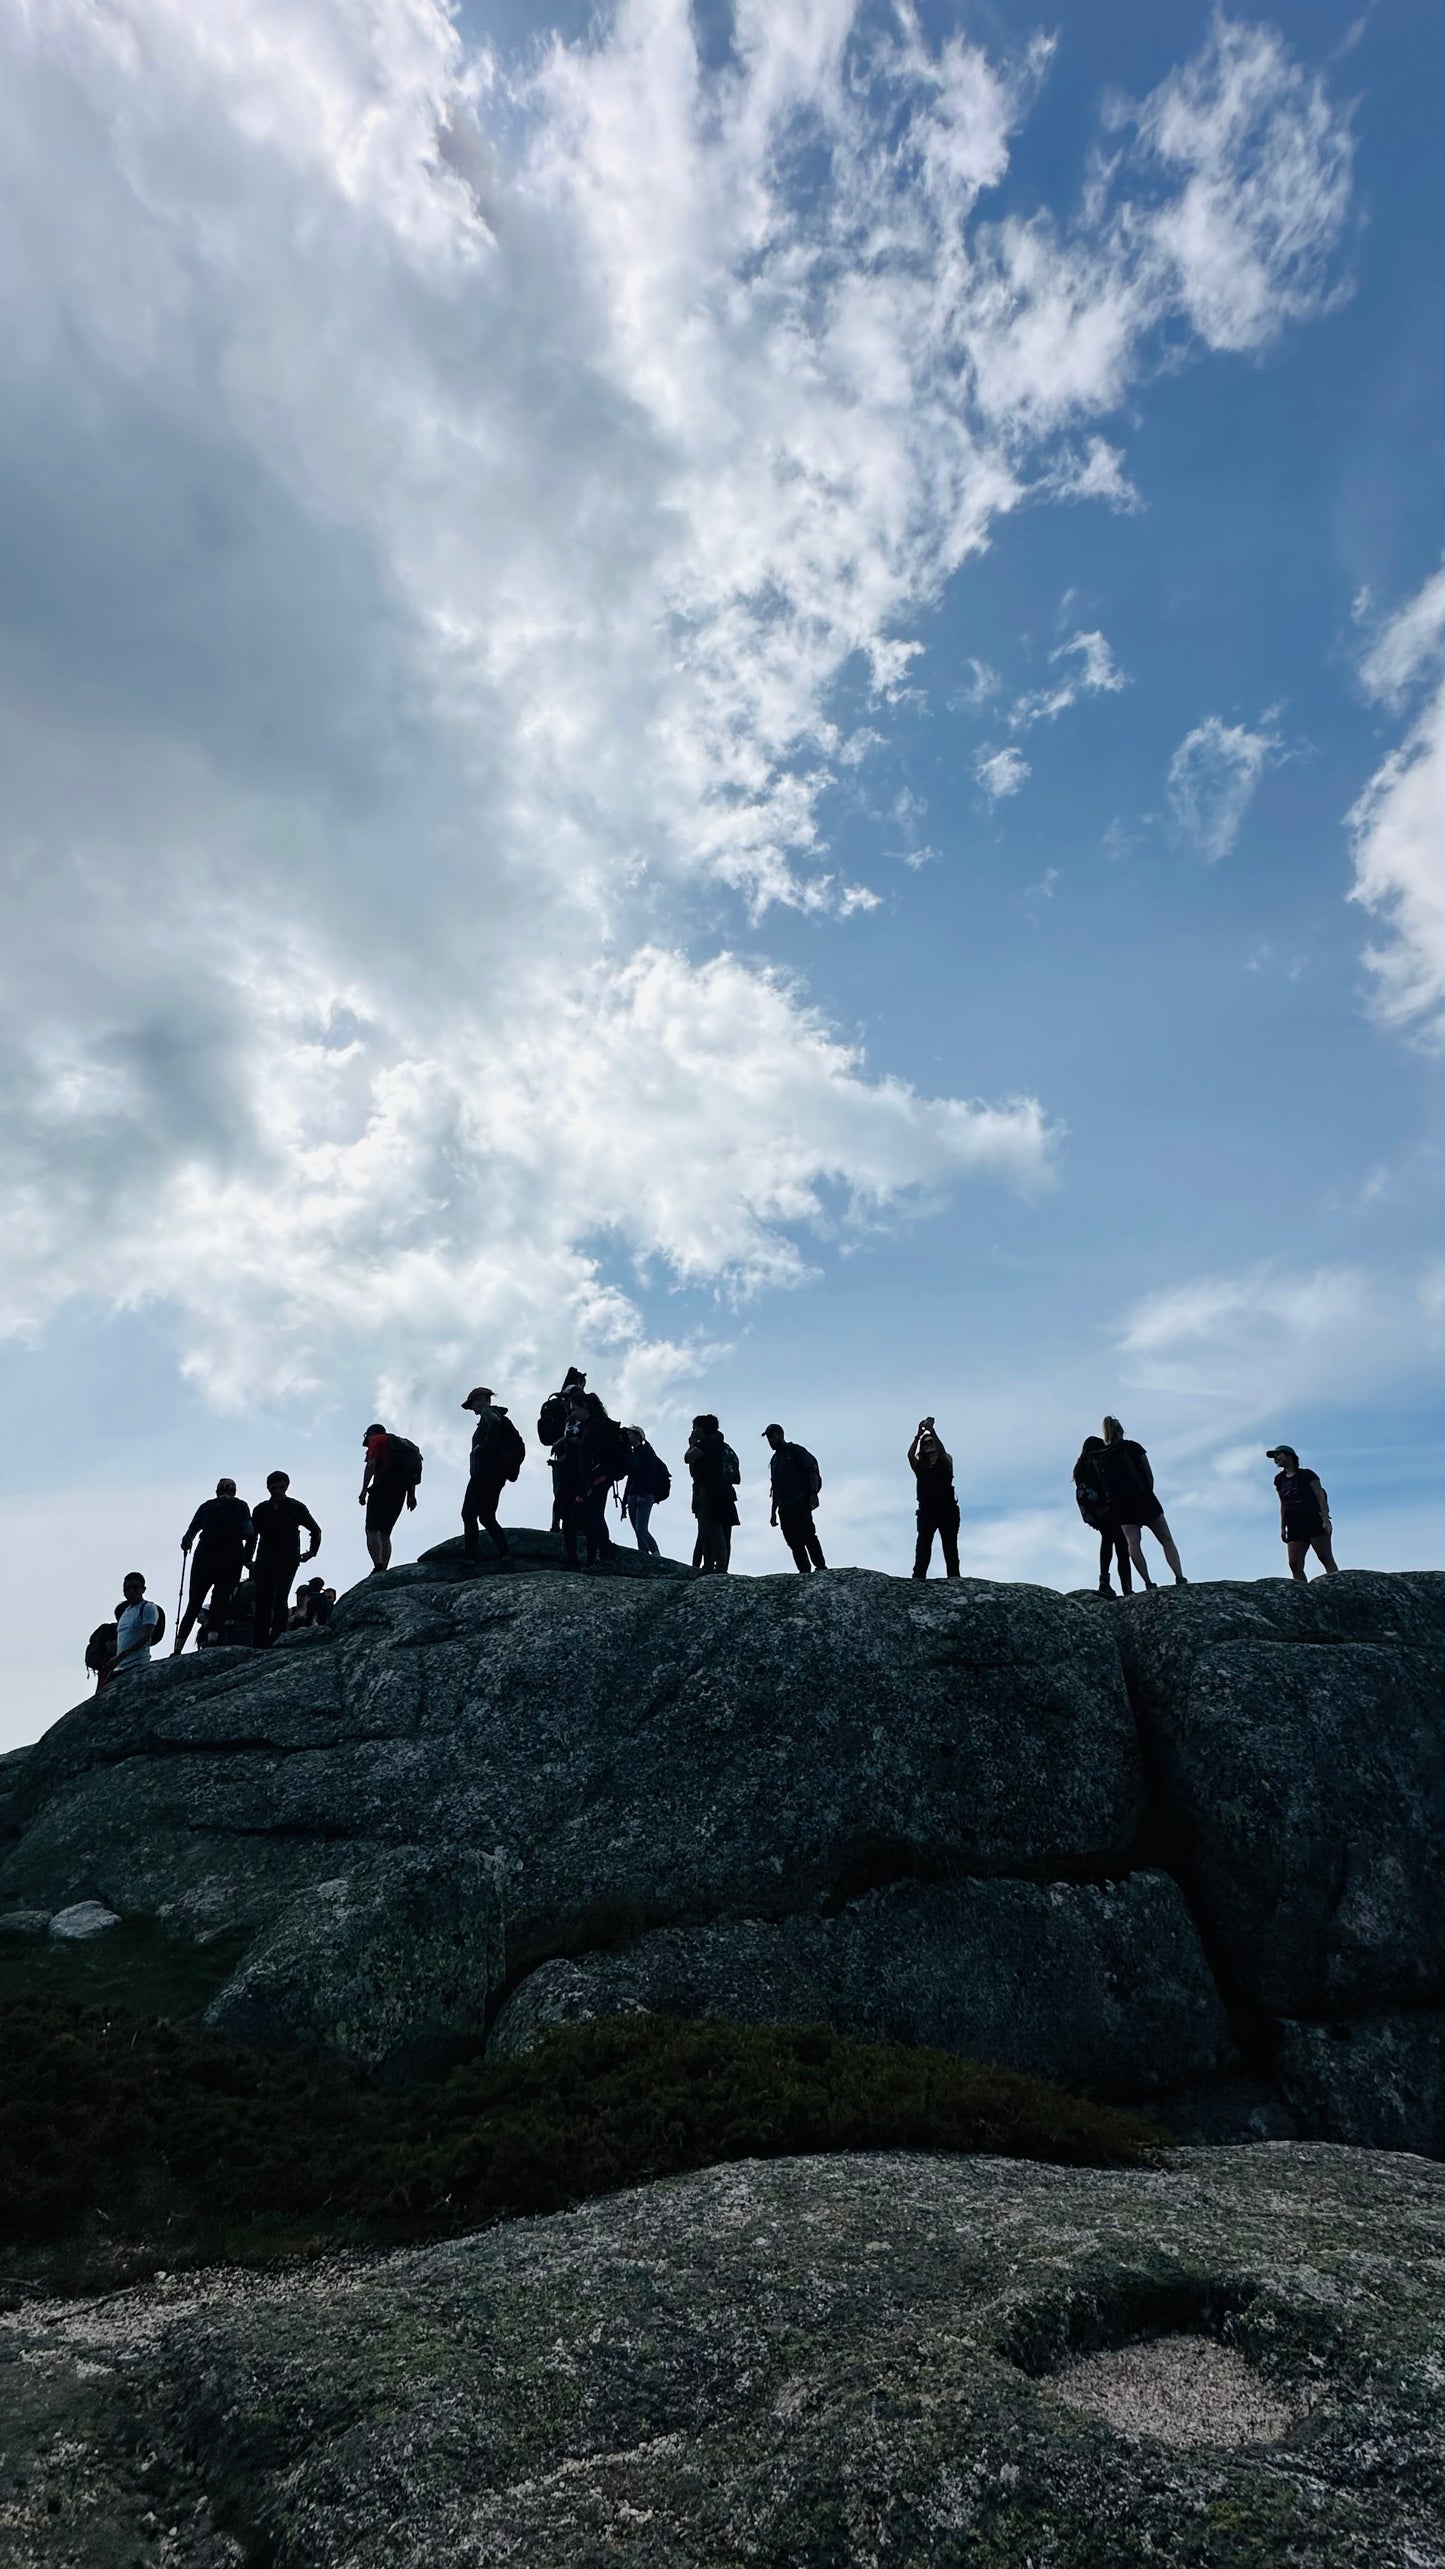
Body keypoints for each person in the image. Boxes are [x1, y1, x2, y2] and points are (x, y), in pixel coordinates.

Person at [1098, 1418, 1186, 1588]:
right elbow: (1148, 1473)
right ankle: (1179, 1577)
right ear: (1121, 1431)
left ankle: (1148, 1582)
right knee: (1166, 1540)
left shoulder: (1102, 1458)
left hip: (1122, 1507)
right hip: (1144, 1499)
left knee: (1133, 1544)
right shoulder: (1133, 1447)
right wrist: (1148, 1492)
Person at [174, 1479, 254, 1653]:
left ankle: (178, 1646)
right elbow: (249, 1531)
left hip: (204, 1556)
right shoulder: (241, 1506)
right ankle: (213, 1640)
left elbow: (188, 1536)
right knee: (221, 1599)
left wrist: (187, 1544)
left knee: (194, 1602)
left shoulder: (206, 1506)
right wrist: (246, 1557)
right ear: (234, 1491)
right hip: (231, 1557)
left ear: (217, 1491)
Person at [250, 1471, 322, 1646]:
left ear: (287, 1486)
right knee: (263, 1599)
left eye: (281, 1487)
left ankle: (277, 1637)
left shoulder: (296, 1507)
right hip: (265, 1559)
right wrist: (248, 1559)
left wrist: (312, 1552)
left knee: (280, 1597)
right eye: (274, 1488)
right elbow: (253, 1536)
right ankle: (261, 1641)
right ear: (268, 1488)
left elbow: (315, 1530)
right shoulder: (261, 1510)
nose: (278, 1491)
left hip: (288, 1560)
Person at [460, 1387, 526, 1563]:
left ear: (482, 1399)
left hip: (483, 1474)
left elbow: (495, 1425)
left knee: (468, 1514)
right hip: (495, 1475)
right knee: (487, 1517)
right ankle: (505, 1554)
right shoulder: (493, 1416)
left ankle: (469, 1558)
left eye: (472, 1403)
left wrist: (483, 1446)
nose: (472, 1409)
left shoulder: (489, 1414)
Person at [1266, 1445, 1339, 1579]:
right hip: (1294, 1523)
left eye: (1278, 1455)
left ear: (1289, 1455)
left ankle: (1338, 1585)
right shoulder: (1279, 1480)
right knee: (1294, 1564)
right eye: (1274, 1457)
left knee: (1325, 1557)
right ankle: (1301, 1593)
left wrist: (1325, 1519)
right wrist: (1283, 1527)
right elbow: (1283, 1503)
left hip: (1313, 1519)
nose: (1275, 1459)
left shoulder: (1307, 1474)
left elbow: (1320, 1495)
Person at [1073, 1434, 1132, 1598]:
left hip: (1096, 1513)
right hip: (1111, 1509)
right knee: (1122, 1546)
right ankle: (1126, 1587)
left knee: (1107, 1541)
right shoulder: (1100, 1462)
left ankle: (1104, 1581)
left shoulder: (1080, 1468)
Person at [359, 1423, 423, 1572]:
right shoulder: (402, 1445)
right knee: (386, 1532)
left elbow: (371, 1466)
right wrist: (411, 1496)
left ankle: (378, 1566)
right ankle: (384, 1568)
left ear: (371, 1433)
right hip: (400, 1491)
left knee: (372, 1530)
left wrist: (363, 1491)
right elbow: (411, 1474)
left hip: (382, 1487)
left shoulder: (377, 1440)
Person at [763, 1424, 826, 1572]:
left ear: (781, 1434)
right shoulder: (775, 1460)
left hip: (800, 1500)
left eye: (772, 1436)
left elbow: (811, 1471)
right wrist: (773, 1512)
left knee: (808, 1535)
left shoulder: (795, 1450)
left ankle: (820, 1566)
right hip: (784, 1506)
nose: (770, 1441)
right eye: (768, 1438)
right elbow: (775, 1487)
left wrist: (813, 1494)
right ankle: (804, 1571)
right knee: (793, 1541)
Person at [686, 1414, 738, 1573]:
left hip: (709, 1490)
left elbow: (688, 1458)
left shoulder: (705, 1444)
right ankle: (721, 1566)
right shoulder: (726, 1448)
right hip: (726, 1492)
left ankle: (711, 1566)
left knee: (709, 1530)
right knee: (724, 1531)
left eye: (695, 1428)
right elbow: (736, 1476)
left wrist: (692, 1444)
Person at [909, 1419, 960, 1579]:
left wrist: (932, 1432)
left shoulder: (946, 1461)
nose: (928, 1444)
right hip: (926, 1511)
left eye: (931, 1442)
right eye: (926, 1443)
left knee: (950, 1545)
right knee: (923, 1545)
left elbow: (942, 1450)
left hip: (947, 1509)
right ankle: (918, 1577)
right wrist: (918, 1436)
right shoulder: (920, 1467)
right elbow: (910, 1455)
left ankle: (953, 1578)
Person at [620, 1426, 667, 1555]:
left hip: (644, 1495)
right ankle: (644, 1556)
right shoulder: (633, 1454)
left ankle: (657, 1556)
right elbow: (631, 1478)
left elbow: (651, 1474)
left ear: (637, 1435)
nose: (628, 1437)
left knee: (641, 1529)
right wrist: (624, 1501)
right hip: (633, 1494)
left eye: (630, 1434)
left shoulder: (647, 1451)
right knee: (637, 1530)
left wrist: (643, 1494)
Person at [113, 1572, 165, 1674]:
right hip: (120, 1667)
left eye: (135, 1587)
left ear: (143, 1589)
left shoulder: (148, 1607)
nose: (131, 1591)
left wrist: (122, 1655)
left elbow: (146, 1636)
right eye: (128, 1588)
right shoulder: (125, 1612)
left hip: (138, 1665)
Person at [85, 1609, 122, 1691]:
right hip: (110, 1666)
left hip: (106, 1668)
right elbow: (111, 1648)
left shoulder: (109, 1629)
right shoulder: (111, 1630)